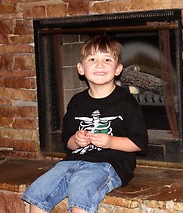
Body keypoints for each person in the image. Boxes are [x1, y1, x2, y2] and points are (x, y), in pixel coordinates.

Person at [22, 35, 148, 213]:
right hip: (73, 161)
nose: (100, 64)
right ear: (81, 69)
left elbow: (139, 143)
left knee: (80, 195)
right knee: (38, 193)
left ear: (118, 69)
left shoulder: (126, 102)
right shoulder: (76, 102)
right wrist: (76, 139)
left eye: (107, 59)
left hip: (109, 164)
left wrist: (111, 142)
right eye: (92, 59)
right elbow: (68, 142)